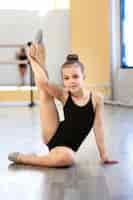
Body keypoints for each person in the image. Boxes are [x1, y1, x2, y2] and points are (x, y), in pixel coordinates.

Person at [8, 42, 118, 168]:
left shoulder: (96, 98)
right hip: (52, 134)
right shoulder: (64, 94)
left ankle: (31, 158)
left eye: (75, 76)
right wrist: (31, 59)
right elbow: (44, 82)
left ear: (84, 76)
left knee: (67, 157)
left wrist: (104, 155)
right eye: (66, 78)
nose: (71, 81)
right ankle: (25, 158)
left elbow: (98, 128)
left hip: (66, 150)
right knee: (44, 90)